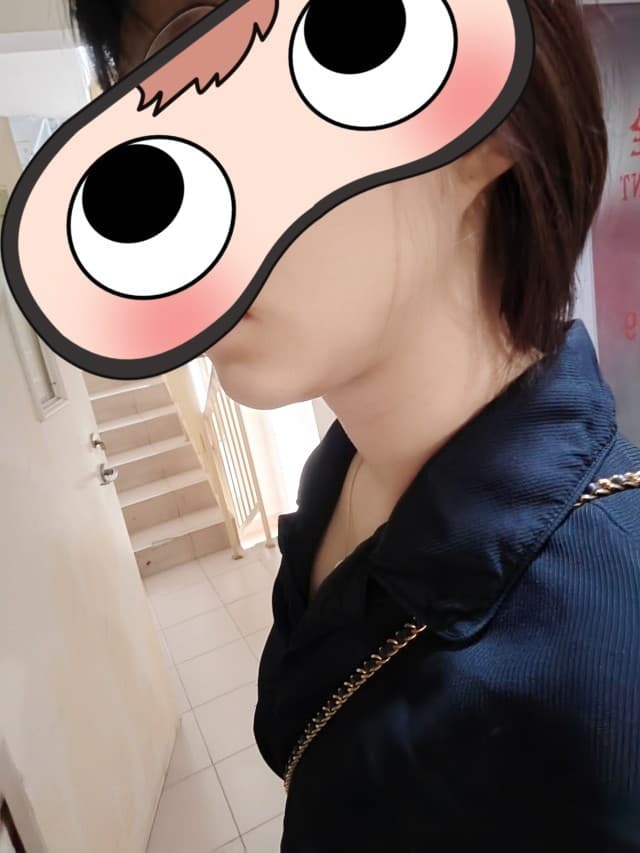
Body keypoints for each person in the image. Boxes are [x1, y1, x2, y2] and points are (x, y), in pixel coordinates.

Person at [68, 1, 640, 850]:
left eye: (233, 91)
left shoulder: (613, 641)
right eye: (152, 129)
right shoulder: (337, 476)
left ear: (484, 113)